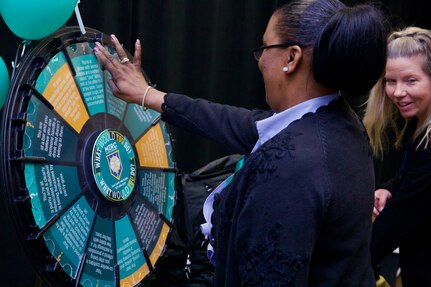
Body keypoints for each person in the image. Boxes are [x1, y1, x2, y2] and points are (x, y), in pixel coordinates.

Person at [94, 0, 388, 285]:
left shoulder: (291, 167)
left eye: (265, 48)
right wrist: (147, 95)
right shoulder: (336, 120)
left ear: (291, 58)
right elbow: (232, 121)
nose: (260, 61)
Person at [364, 26, 431, 286]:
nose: (397, 92)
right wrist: (391, 188)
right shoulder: (421, 123)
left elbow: (391, 228)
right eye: (390, 81)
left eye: (411, 80)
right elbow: (415, 179)